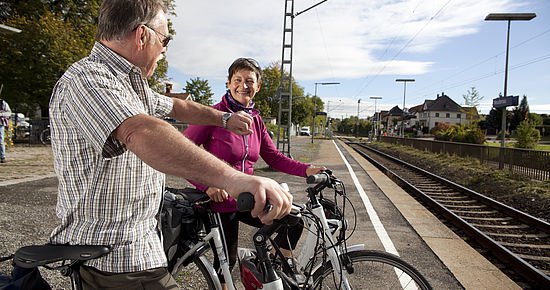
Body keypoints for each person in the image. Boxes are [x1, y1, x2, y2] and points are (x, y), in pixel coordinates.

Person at [48, 1, 292, 289]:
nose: (165, 48)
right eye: (165, 39)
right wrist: (236, 179)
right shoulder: (88, 80)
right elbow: (141, 131)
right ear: (142, 36)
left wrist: (224, 118)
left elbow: (176, 106)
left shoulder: (128, 84)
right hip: (113, 258)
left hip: (142, 249)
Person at [184, 57, 326, 285]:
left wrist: (307, 169)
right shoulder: (214, 115)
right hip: (220, 202)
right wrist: (207, 185)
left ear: (258, 87)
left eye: (250, 81)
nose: (244, 86)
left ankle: (268, 269)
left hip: (247, 199)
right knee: (226, 262)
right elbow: (183, 154)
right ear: (229, 83)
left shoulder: (256, 121)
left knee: (293, 221)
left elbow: (274, 158)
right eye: (237, 80)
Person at [0, 98, 11, 163]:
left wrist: (1, 114)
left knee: (1, 140)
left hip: (0, 124)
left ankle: (2, 156)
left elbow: (9, 113)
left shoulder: (3, 103)